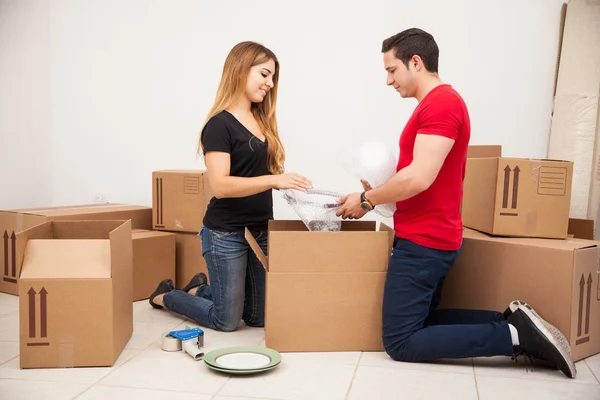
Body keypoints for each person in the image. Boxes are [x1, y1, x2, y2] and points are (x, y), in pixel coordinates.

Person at [336, 28, 576, 378]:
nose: (388, 81)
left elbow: (420, 177)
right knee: (425, 322)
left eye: (391, 70)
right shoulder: (434, 105)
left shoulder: (442, 104)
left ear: (415, 62)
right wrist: (381, 188)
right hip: (427, 237)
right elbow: (421, 176)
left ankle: (512, 335)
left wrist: (368, 200)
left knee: (400, 341)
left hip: (424, 242)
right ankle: (510, 321)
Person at [148, 41, 312, 332]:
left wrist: (291, 186)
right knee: (226, 320)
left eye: (273, 77)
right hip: (225, 233)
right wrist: (274, 180)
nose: (270, 84)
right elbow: (221, 185)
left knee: (258, 317)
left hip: (259, 231)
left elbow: (259, 173)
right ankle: (166, 296)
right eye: (264, 74)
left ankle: (201, 289)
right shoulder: (218, 125)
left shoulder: (262, 120)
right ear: (240, 70)